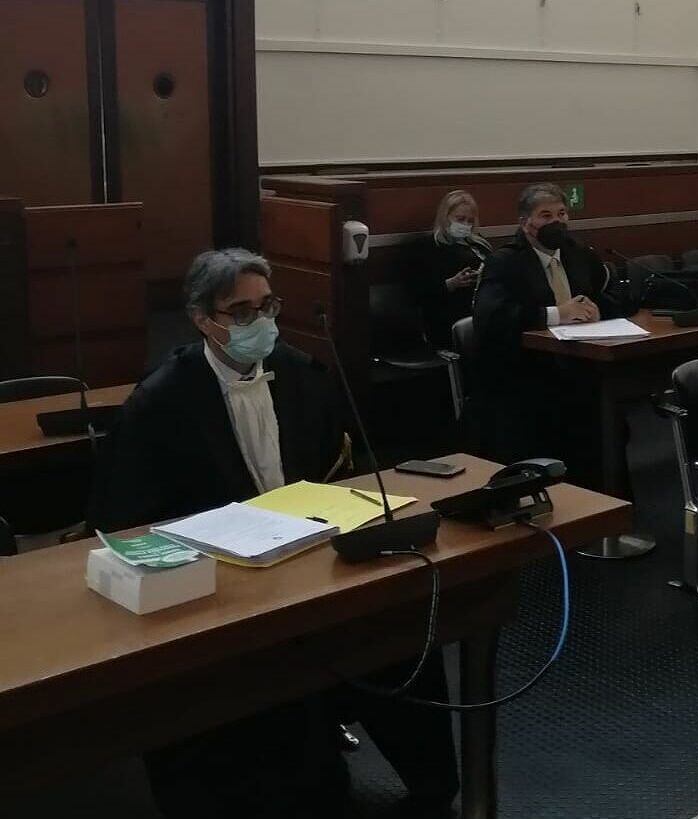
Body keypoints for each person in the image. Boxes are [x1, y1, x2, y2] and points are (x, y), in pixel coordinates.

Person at [89, 249, 459, 819]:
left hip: (311, 561)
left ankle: (434, 785)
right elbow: (129, 517)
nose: (259, 322)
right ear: (201, 319)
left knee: (401, 631)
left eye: (267, 306)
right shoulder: (161, 401)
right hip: (219, 587)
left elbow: (341, 470)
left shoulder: (303, 373)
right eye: (241, 312)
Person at [472, 182, 620, 473]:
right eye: (546, 216)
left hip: (580, 366)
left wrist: (598, 309)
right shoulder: (504, 262)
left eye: (562, 214)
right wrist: (556, 314)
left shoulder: (579, 254)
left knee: (602, 416)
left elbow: (615, 296)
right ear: (525, 223)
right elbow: (492, 317)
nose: (556, 222)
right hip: (524, 374)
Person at [412, 189, 492, 349]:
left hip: (481, 309)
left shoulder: (479, 244)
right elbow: (418, 293)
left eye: (470, 221)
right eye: (460, 219)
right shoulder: (428, 248)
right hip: (447, 315)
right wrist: (451, 283)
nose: (465, 225)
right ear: (445, 217)